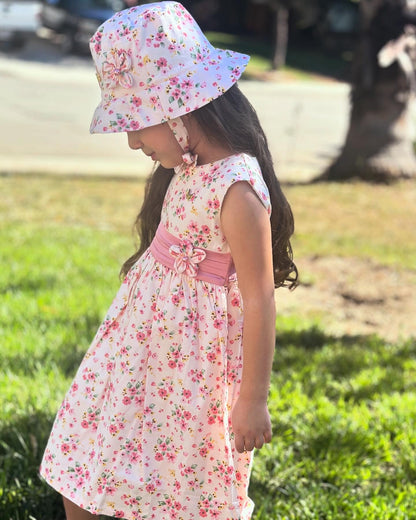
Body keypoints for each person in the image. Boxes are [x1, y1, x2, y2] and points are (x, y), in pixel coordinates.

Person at [40, 2, 298, 519]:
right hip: (134, 353)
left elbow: (259, 300)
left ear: (182, 109)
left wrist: (252, 399)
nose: (132, 140)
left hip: (188, 371)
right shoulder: (188, 167)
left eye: (137, 123)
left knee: (174, 479)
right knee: (89, 455)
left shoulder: (237, 191)